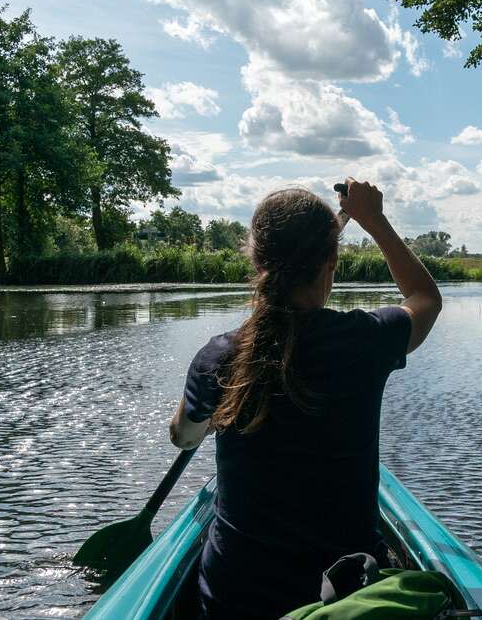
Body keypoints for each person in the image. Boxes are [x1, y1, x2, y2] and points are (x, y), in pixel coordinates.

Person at [168, 180, 442, 619]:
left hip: (233, 600)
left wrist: (198, 416)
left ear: (257, 262)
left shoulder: (218, 358)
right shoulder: (366, 340)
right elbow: (425, 297)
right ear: (331, 262)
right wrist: (374, 220)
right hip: (342, 591)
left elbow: (183, 437)